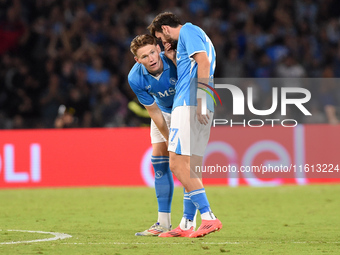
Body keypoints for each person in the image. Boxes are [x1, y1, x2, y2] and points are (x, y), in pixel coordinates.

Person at [148, 12, 222, 238]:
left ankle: (208, 217)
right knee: (191, 167)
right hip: (201, 104)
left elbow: (204, 62)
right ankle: (187, 223)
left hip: (189, 103)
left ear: (165, 29)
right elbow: (193, 67)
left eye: (160, 38)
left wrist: (199, 100)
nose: (163, 42)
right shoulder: (198, 37)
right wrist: (173, 58)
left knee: (177, 165)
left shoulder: (189, 30)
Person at [128, 34, 194, 236]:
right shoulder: (135, 78)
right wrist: (169, 138)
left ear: (158, 48)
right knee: (158, 160)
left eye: (152, 52)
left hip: (185, 109)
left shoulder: (174, 61)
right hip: (163, 112)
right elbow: (154, 112)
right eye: (144, 56)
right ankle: (163, 222)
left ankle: (188, 221)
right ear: (137, 60)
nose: (151, 58)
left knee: (183, 166)